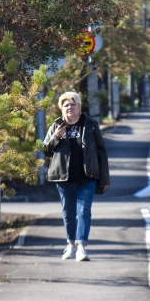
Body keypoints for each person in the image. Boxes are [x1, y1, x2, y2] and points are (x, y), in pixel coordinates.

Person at [43, 91, 110, 261]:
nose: (70, 107)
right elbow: (46, 150)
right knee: (68, 213)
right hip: (64, 179)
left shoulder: (90, 125)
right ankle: (70, 245)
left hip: (87, 177)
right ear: (61, 109)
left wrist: (104, 178)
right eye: (66, 105)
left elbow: (101, 152)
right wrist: (56, 137)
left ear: (79, 107)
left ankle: (82, 247)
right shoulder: (56, 126)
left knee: (84, 211)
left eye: (73, 104)